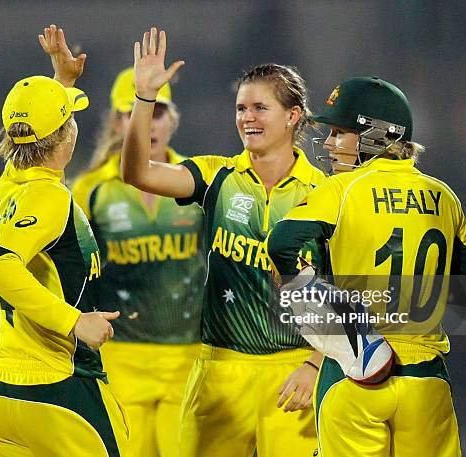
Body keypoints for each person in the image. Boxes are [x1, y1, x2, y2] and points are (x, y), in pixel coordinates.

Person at [121, 27, 324, 457]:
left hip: (294, 374)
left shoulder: (324, 194)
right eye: (240, 108)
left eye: (259, 107)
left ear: (292, 116)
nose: (247, 117)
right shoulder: (216, 176)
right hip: (218, 371)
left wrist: (315, 364)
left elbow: (340, 289)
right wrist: (144, 99)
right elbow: (137, 172)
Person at [267, 76, 466, 456]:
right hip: (426, 378)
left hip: (355, 375)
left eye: (340, 132)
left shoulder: (340, 190)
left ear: (376, 137)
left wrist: (310, 294)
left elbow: (280, 243)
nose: (329, 144)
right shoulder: (445, 197)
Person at [0, 25, 130, 457]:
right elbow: (0, 268)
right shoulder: (49, 197)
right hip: (59, 393)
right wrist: (74, 321)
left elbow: (35, 135)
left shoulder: (11, 182)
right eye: (70, 118)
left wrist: (62, 81)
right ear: (67, 135)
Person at [71, 66, 205, 457]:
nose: (147, 122)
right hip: (121, 357)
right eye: (132, 112)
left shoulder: (195, 179)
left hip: (189, 355)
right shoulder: (91, 189)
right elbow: (69, 268)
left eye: (157, 111)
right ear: (116, 122)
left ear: (172, 120)